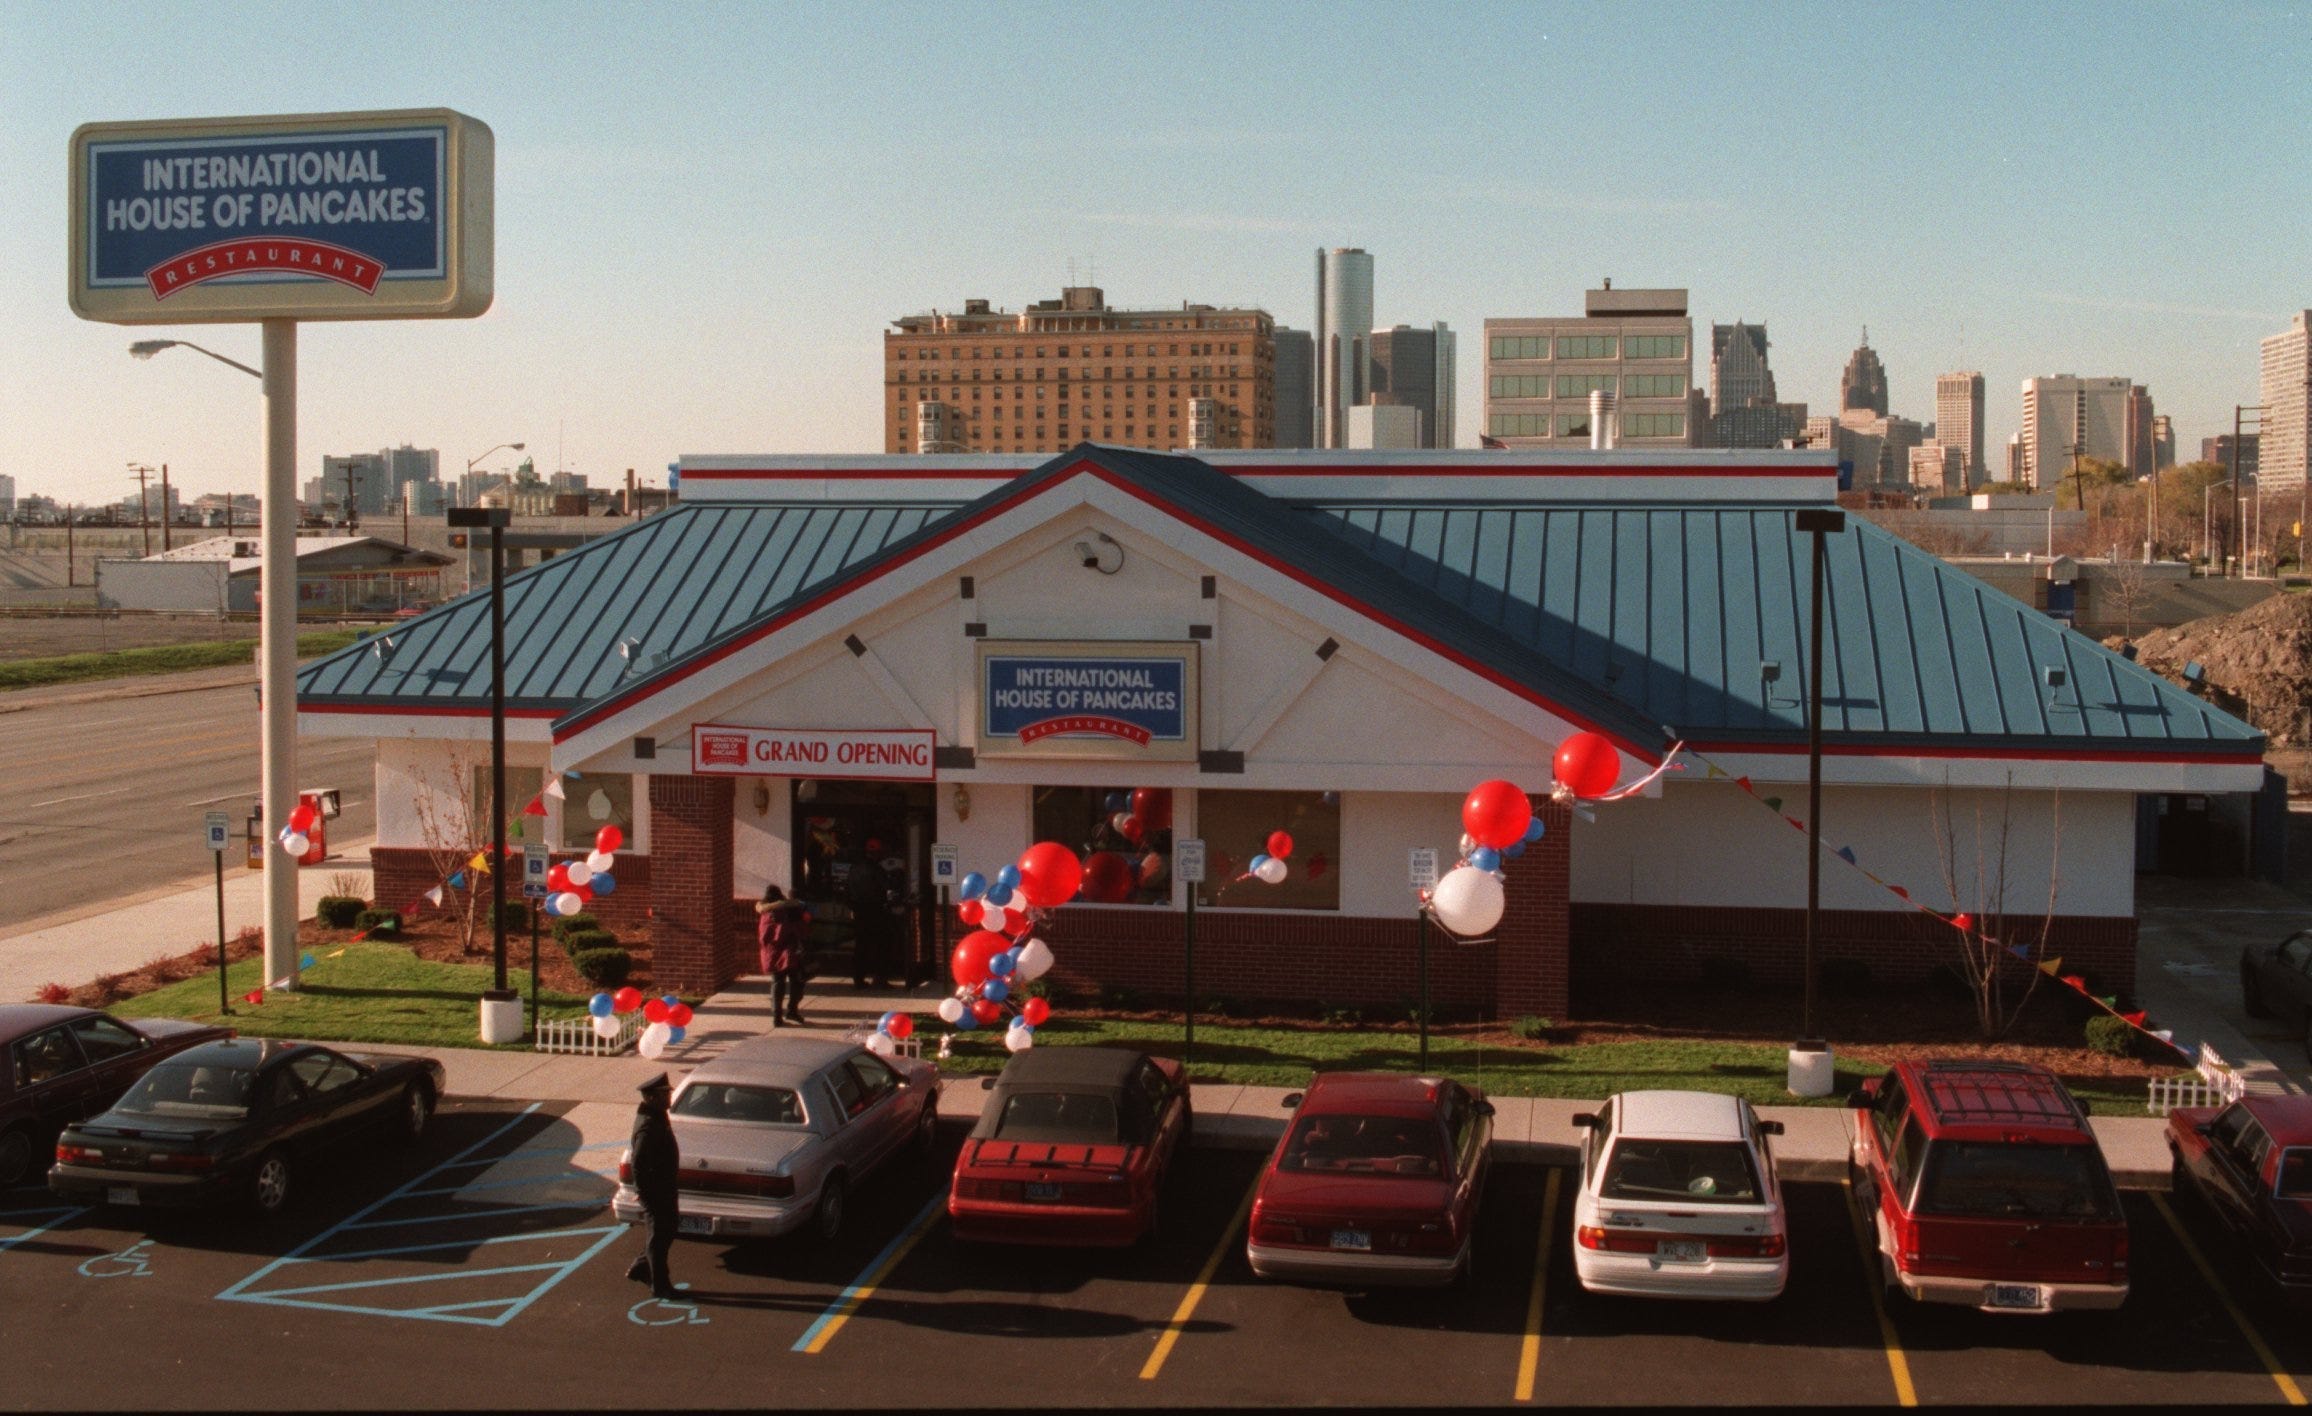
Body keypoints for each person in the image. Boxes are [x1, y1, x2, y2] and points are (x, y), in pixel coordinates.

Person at [624, 1072, 680, 1300]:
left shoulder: (657, 1115)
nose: (669, 1097)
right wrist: (643, 1192)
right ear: (651, 1097)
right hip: (656, 1191)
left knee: (667, 1230)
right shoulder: (648, 1125)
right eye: (665, 1093)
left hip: (665, 1188)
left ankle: (640, 1266)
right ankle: (660, 1285)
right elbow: (638, 1163)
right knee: (658, 1237)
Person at [756, 884, 812, 1026]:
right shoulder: (790, 912)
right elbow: (801, 931)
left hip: (772, 954)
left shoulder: (765, 914)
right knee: (797, 982)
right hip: (790, 953)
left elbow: (764, 937)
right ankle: (792, 1010)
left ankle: (776, 1015)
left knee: (777, 984)